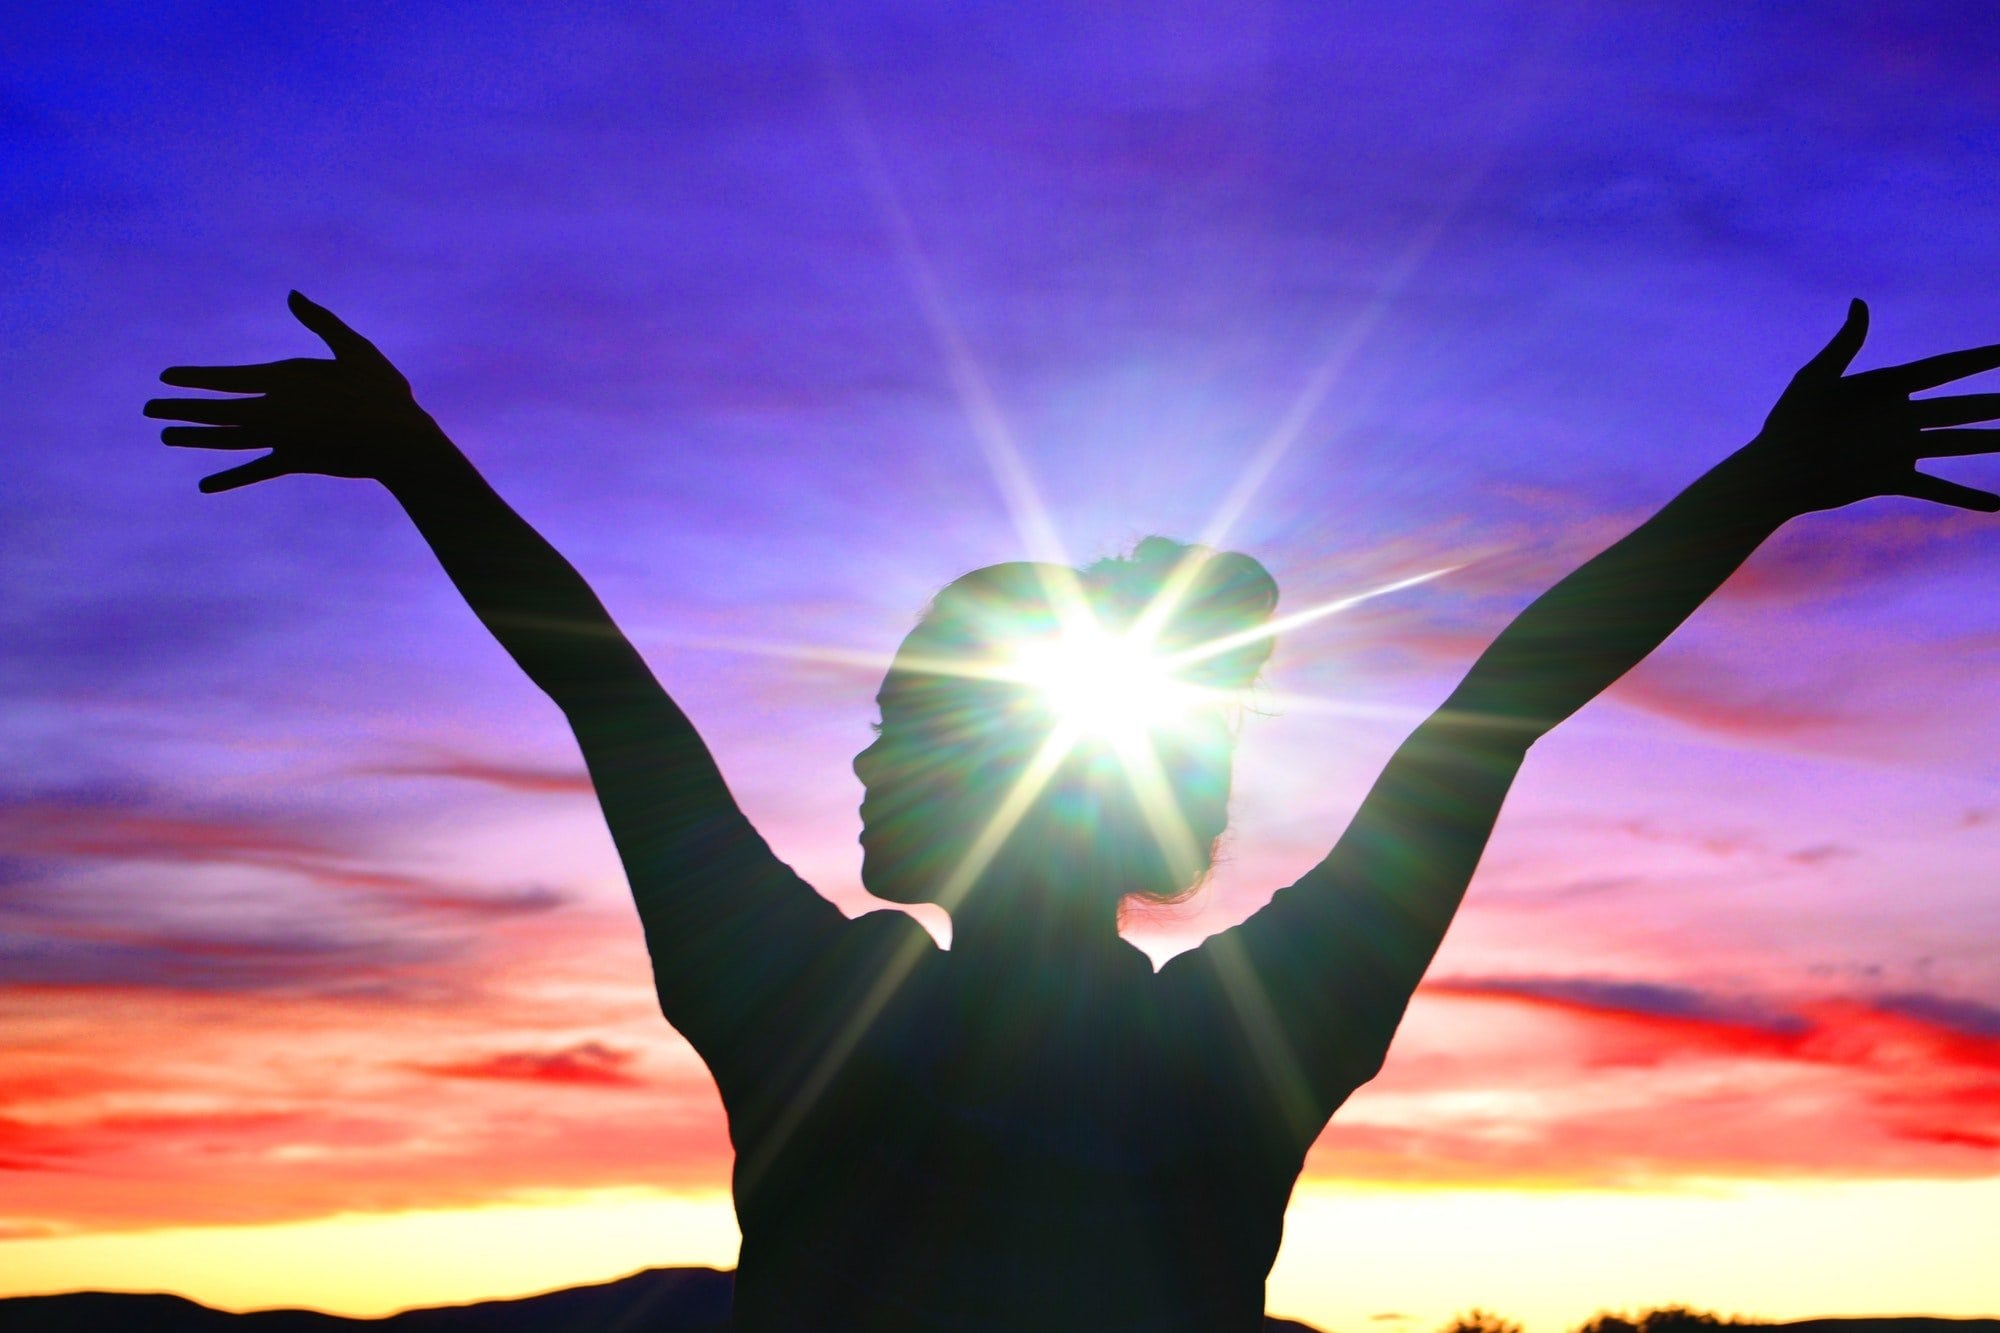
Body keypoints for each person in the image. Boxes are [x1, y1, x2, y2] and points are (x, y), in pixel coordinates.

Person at [149, 294, 2000, 1332]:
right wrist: (1754, 490)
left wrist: (418, 460)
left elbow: (607, 693)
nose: (862, 767)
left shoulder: (806, 1013)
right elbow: (1483, 723)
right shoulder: (1245, 1042)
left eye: (898, 732)